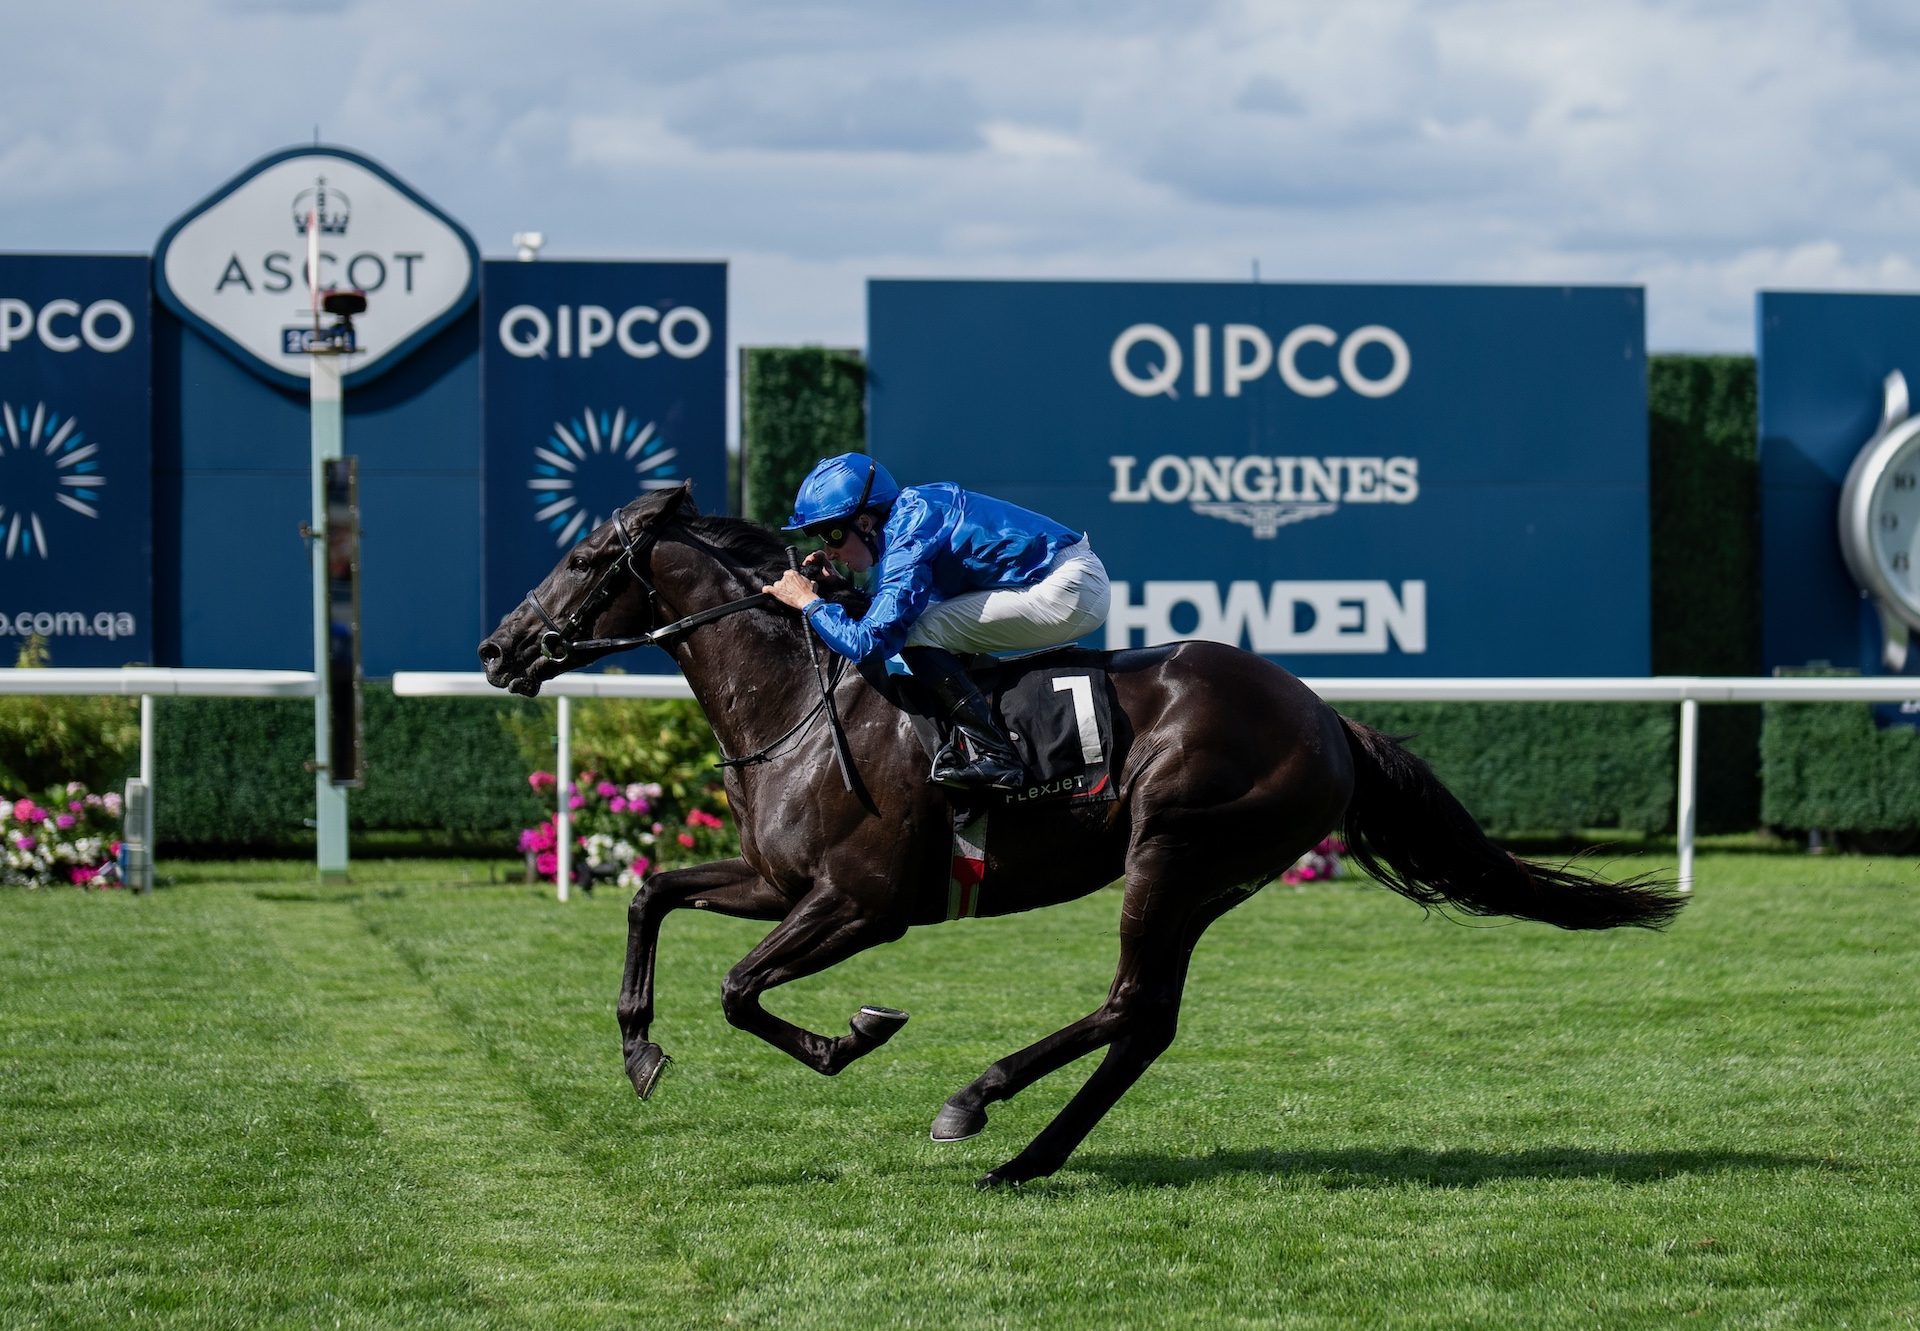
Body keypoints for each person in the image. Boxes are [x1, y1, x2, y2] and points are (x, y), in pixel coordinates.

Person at [762, 452, 1110, 792]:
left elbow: (870, 644)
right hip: (1065, 578)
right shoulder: (908, 519)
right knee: (921, 626)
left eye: (832, 535)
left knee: (917, 633)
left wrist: (809, 603)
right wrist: (837, 589)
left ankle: (996, 756)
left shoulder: (911, 535)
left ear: (865, 523)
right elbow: (893, 617)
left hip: (1069, 587)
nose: (830, 550)